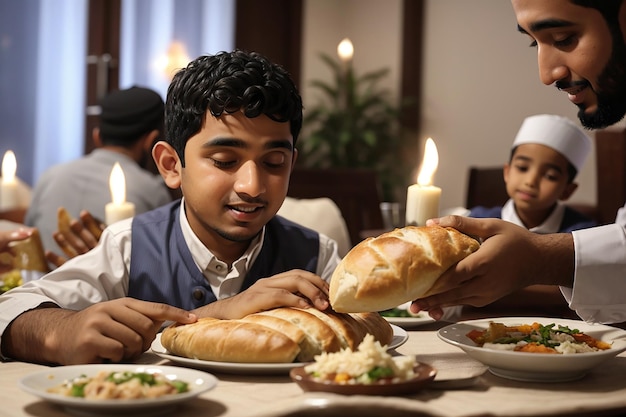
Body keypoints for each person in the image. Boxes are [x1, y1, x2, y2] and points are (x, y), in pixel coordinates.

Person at [0, 50, 341, 365]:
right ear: (170, 165)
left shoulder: (317, 256)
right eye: (225, 161)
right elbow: (9, 310)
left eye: (274, 162)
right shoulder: (128, 248)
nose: (251, 186)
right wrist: (62, 331)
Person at [413, 0, 626, 325]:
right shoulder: (475, 219)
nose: (545, 74)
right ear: (507, 172)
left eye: (564, 38)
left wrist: (535, 260)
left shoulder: (582, 226)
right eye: (533, 42)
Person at [24, 86, 173, 255]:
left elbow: (29, 241)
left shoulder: (49, 176)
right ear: (152, 141)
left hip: (44, 281)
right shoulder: (152, 191)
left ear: (97, 136)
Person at [470, 114, 596, 233]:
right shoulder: (478, 221)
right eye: (522, 168)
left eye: (550, 176)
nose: (530, 181)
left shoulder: (583, 234)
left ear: (567, 191)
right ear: (507, 172)